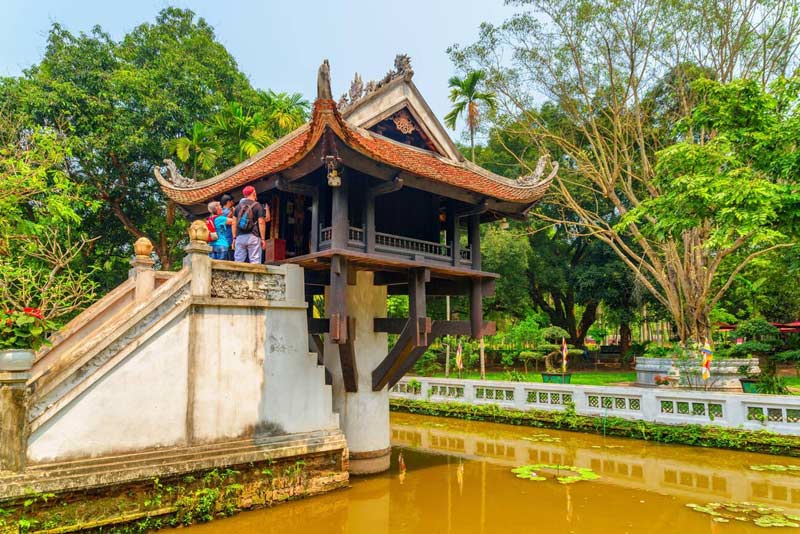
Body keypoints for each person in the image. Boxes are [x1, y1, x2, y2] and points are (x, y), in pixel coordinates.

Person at [233, 185, 269, 263]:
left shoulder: (237, 207)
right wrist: (263, 239)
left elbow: (234, 223)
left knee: (238, 261)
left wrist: (234, 238)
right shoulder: (258, 206)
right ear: (254, 193)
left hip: (240, 237)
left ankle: (238, 275)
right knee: (255, 261)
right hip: (253, 236)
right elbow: (261, 222)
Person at [220, 194, 235, 260]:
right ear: (229, 202)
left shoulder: (219, 213)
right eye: (232, 201)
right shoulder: (229, 212)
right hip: (229, 239)